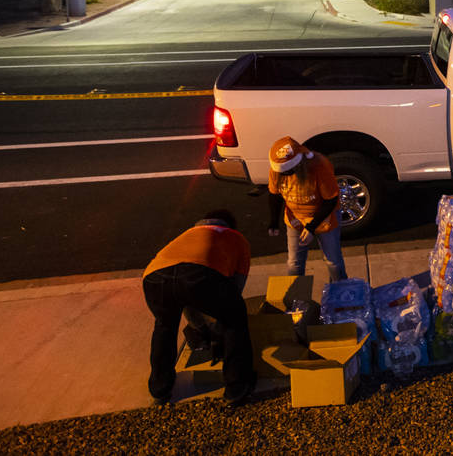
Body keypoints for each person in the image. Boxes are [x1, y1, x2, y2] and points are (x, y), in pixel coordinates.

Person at [142, 209, 255, 407]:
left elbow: (184, 295)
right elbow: (235, 289)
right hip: (199, 274)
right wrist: (220, 329)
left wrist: (201, 328)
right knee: (235, 319)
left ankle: (160, 388)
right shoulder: (236, 238)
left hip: (153, 277)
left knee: (165, 326)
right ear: (229, 225)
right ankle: (236, 387)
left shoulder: (186, 235)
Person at [267, 136, 347, 282]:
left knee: (333, 262)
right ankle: (296, 297)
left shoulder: (319, 166)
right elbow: (275, 195)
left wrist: (311, 228)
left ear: (298, 164)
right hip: (295, 219)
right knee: (294, 263)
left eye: (288, 171)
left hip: (323, 217)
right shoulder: (276, 171)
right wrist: (273, 221)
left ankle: (341, 295)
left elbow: (330, 200)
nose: (284, 174)